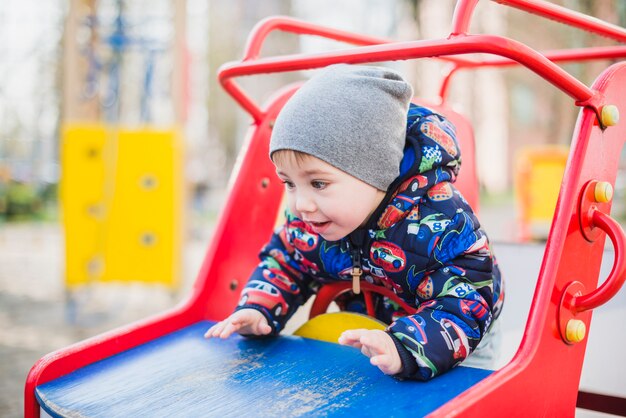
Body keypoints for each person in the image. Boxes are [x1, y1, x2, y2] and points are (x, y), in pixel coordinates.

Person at [205, 64, 504, 381]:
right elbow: (288, 263)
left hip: (453, 342)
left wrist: (407, 347)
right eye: (289, 184)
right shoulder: (314, 219)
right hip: (368, 336)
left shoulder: (440, 221)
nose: (301, 204)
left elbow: (466, 301)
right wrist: (258, 308)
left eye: (318, 183)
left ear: (376, 173)